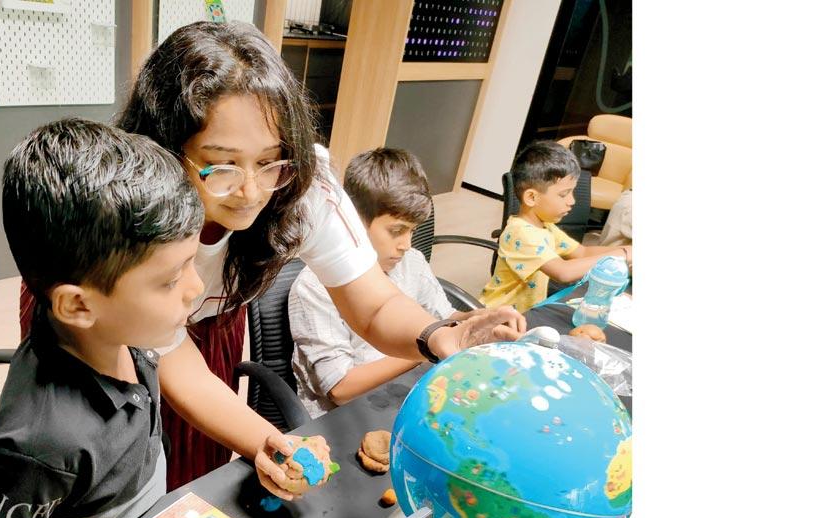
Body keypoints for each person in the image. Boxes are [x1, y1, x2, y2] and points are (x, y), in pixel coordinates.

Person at [111, 21, 527, 491]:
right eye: (223, 165)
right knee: (122, 470)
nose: (252, 192)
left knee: (199, 471)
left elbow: (374, 304)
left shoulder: (301, 188)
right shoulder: (131, 208)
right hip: (117, 331)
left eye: (269, 161)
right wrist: (267, 440)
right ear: (166, 148)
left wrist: (437, 335)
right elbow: (176, 363)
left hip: (209, 327)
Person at [0, 119, 242, 518]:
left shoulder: (123, 331)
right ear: (77, 306)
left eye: (190, 263)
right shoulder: (41, 442)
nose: (194, 288)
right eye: (170, 280)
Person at [288, 148, 454, 418]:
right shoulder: (315, 286)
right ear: (355, 220)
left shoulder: (411, 261)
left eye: (412, 231)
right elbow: (341, 389)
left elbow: (444, 317)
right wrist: (426, 349)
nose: (406, 244)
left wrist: (473, 325)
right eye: (397, 231)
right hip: (345, 417)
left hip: (403, 395)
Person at [480, 140, 632, 313]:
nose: (572, 201)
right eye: (563, 194)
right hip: (494, 316)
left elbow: (582, 252)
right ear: (531, 197)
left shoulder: (545, 226)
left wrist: (628, 250)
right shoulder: (521, 233)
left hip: (525, 313)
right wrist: (622, 254)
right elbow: (563, 272)